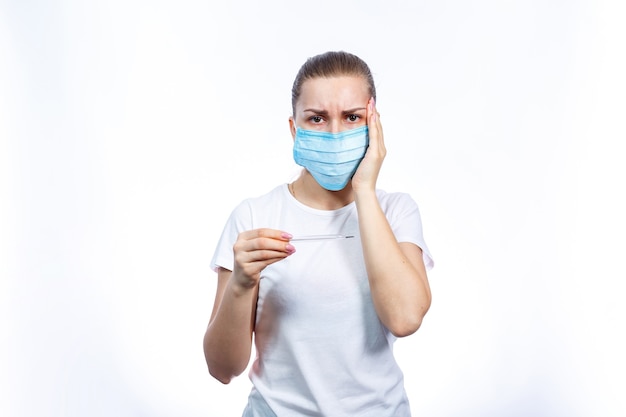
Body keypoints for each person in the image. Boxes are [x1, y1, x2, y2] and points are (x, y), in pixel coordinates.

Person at [203, 50, 434, 417]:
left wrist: (364, 191)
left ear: (374, 124)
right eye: (317, 118)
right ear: (295, 129)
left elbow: (405, 319)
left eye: (352, 117)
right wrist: (242, 284)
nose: (336, 132)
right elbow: (221, 368)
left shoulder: (396, 211)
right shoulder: (254, 216)